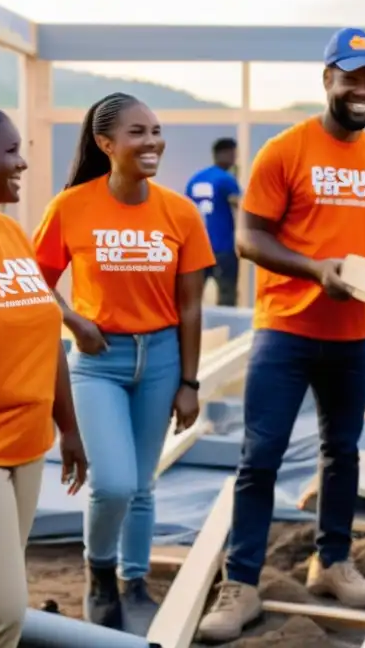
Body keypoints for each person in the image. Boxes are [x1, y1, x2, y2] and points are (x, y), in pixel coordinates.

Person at [196, 27, 365, 643]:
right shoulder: (285, 151)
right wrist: (317, 270)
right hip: (286, 332)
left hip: (354, 335)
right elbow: (249, 240)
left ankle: (332, 563)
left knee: (341, 453)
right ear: (327, 80)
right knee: (259, 458)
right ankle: (240, 584)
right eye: (352, 77)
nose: (363, 90)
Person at [32, 92, 215, 634]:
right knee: (111, 483)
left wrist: (189, 381)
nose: (152, 141)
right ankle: (99, 572)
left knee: (142, 485)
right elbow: (36, 283)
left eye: (156, 130)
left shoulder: (179, 212)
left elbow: (190, 306)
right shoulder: (70, 207)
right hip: (97, 361)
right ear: (105, 144)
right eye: (138, 132)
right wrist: (71, 319)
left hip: (160, 359)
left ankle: (135, 584)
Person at [0, 82, 87, 646]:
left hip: (26, 450)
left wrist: (68, 426)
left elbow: (44, 331)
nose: (22, 161)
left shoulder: (11, 233)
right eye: (10, 151)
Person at [186, 138, 242, 306]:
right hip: (222, 246)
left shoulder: (195, 179)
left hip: (197, 247)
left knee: (193, 296)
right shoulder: (226, 179)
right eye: (233, 154)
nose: (234, 159)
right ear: (225, 153)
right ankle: (227, 329)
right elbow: (239, 204)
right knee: (227, 294)